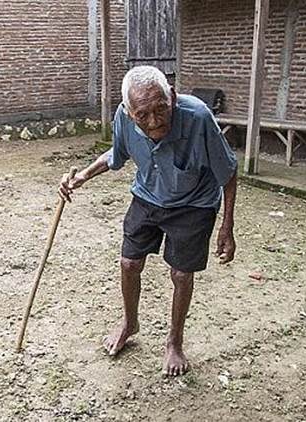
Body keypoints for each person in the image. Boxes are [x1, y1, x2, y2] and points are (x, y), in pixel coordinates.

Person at [59, 66, 238, 376]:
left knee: (181, 274)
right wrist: (83, 176)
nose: (154, 120)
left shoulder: (198, 117)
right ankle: (130, 323)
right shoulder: (124, 117)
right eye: (143, 115)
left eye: (161, 109)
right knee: (129, 263)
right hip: (148, 195)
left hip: (194, 203)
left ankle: (174, 342)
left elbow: (229, 172)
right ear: (129, 113)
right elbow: (117, 154)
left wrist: (227, 226)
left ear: (172, 96)